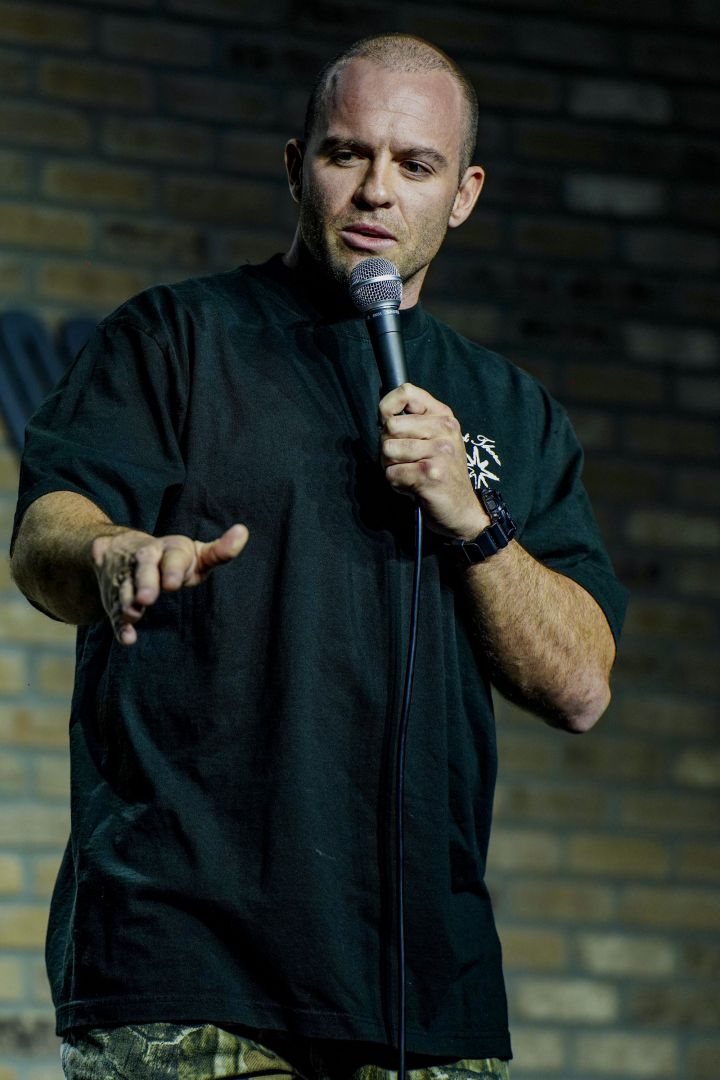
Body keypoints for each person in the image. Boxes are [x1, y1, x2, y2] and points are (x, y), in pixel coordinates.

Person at [10, 33, 627, 1080]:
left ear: (464, 194)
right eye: (349, 154)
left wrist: (472, 516)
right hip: (189, 962)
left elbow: (580, 687)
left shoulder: (513, 412)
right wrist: (111, 551)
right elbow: (45, 532)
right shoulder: (176, 337)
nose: (377, 189)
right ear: (298, 165)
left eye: (416, 165)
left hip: (425, 991)